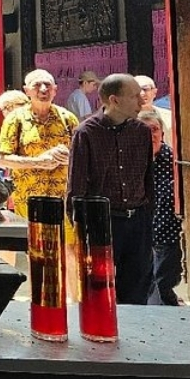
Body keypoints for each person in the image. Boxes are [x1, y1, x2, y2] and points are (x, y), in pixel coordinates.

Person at [66, 74, 154, 306]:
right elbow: (76, 187)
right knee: (98, 289)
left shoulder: (141, 131)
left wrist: (147, 216)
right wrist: (80, 226)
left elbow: (148, 178)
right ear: (114, 100)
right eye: (134, 96)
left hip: (137, 219)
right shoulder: (86, 133)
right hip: (102, 221)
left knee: (136, 289)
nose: (141, 102)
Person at [0, 69, 78, 219]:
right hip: (28, 198)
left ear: (55, 90)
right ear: (26, 91)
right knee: (34, 241)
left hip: (63, 198)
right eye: (37, 85)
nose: (43, 89)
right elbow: (2, 159)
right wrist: (39, 162)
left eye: (47, 85)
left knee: (66, 241)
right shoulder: (15, 119)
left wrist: (70, 159)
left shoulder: (68, 119)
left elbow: (83, 157)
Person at [140, 109, 183, 306]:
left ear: (162, 133)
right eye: (145, 130)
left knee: (163, 281)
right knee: (147, 284)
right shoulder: (132, 162)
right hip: (140, 234)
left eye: (154, 129)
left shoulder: (174, 160)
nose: (151, 135)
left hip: (168, 232)